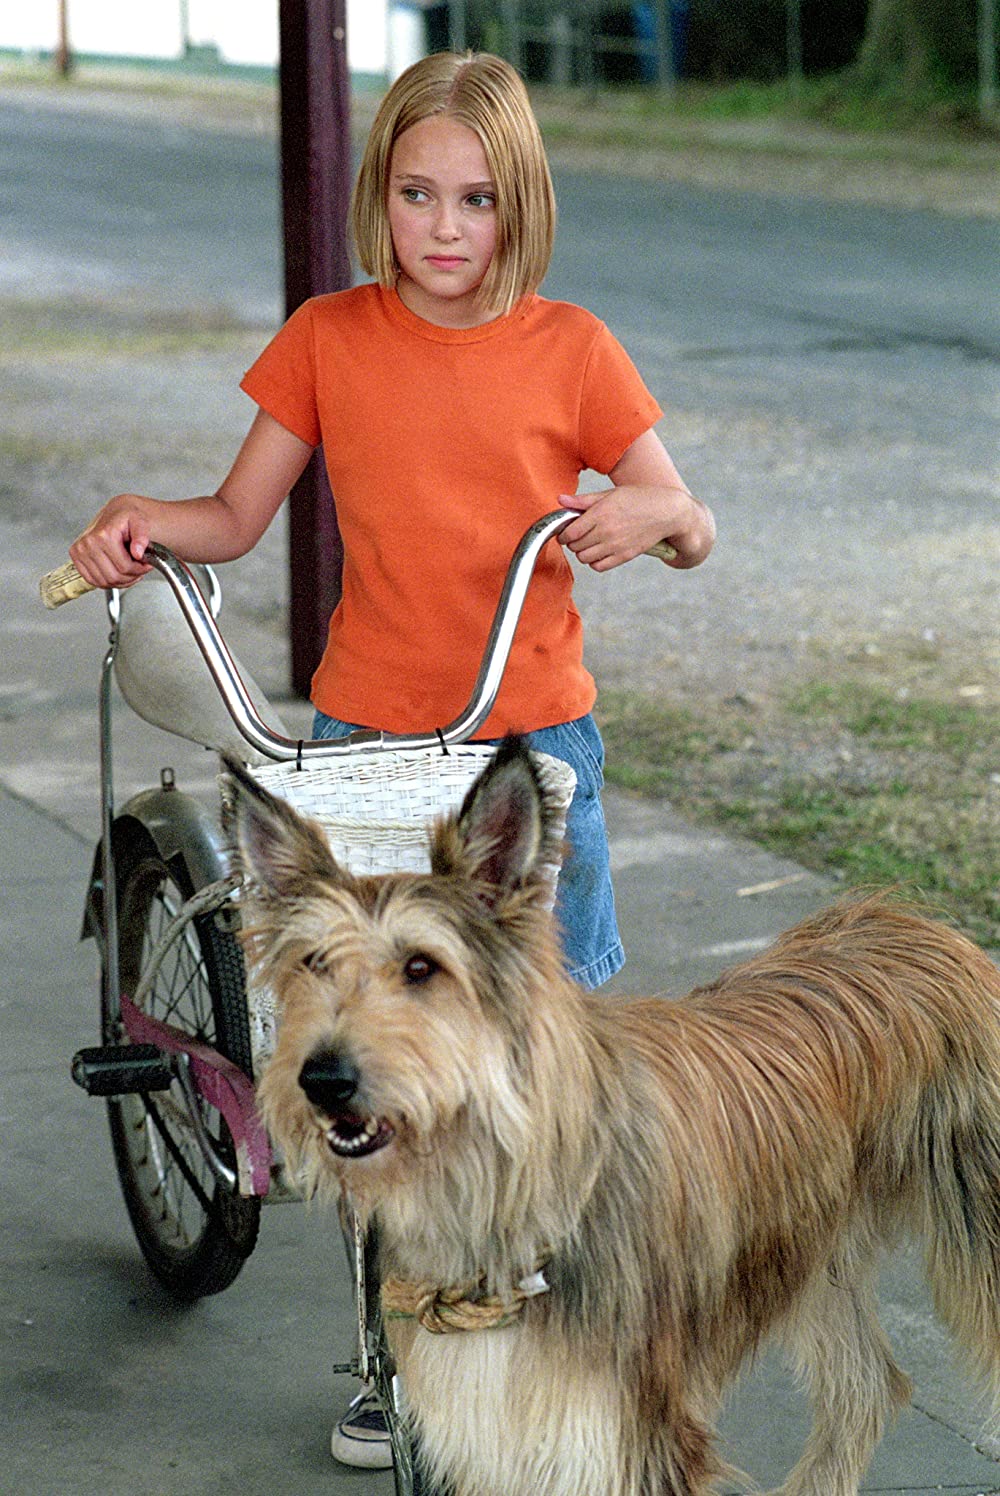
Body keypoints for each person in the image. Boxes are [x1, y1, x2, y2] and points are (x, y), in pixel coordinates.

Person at [70, 50, 715, 1468]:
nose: (443, 227)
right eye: (416, 193)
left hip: (530, 745)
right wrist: (143, 521)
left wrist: (641, 509)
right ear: (380, 196)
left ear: (519, 206)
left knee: (548, 1053)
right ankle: (392, 1357)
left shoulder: (574, 349)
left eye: (476, 200)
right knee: (369, 1071)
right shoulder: (330, 339)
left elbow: (691, 516)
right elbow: (235, 515)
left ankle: (556, 1322)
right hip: (370, 744)